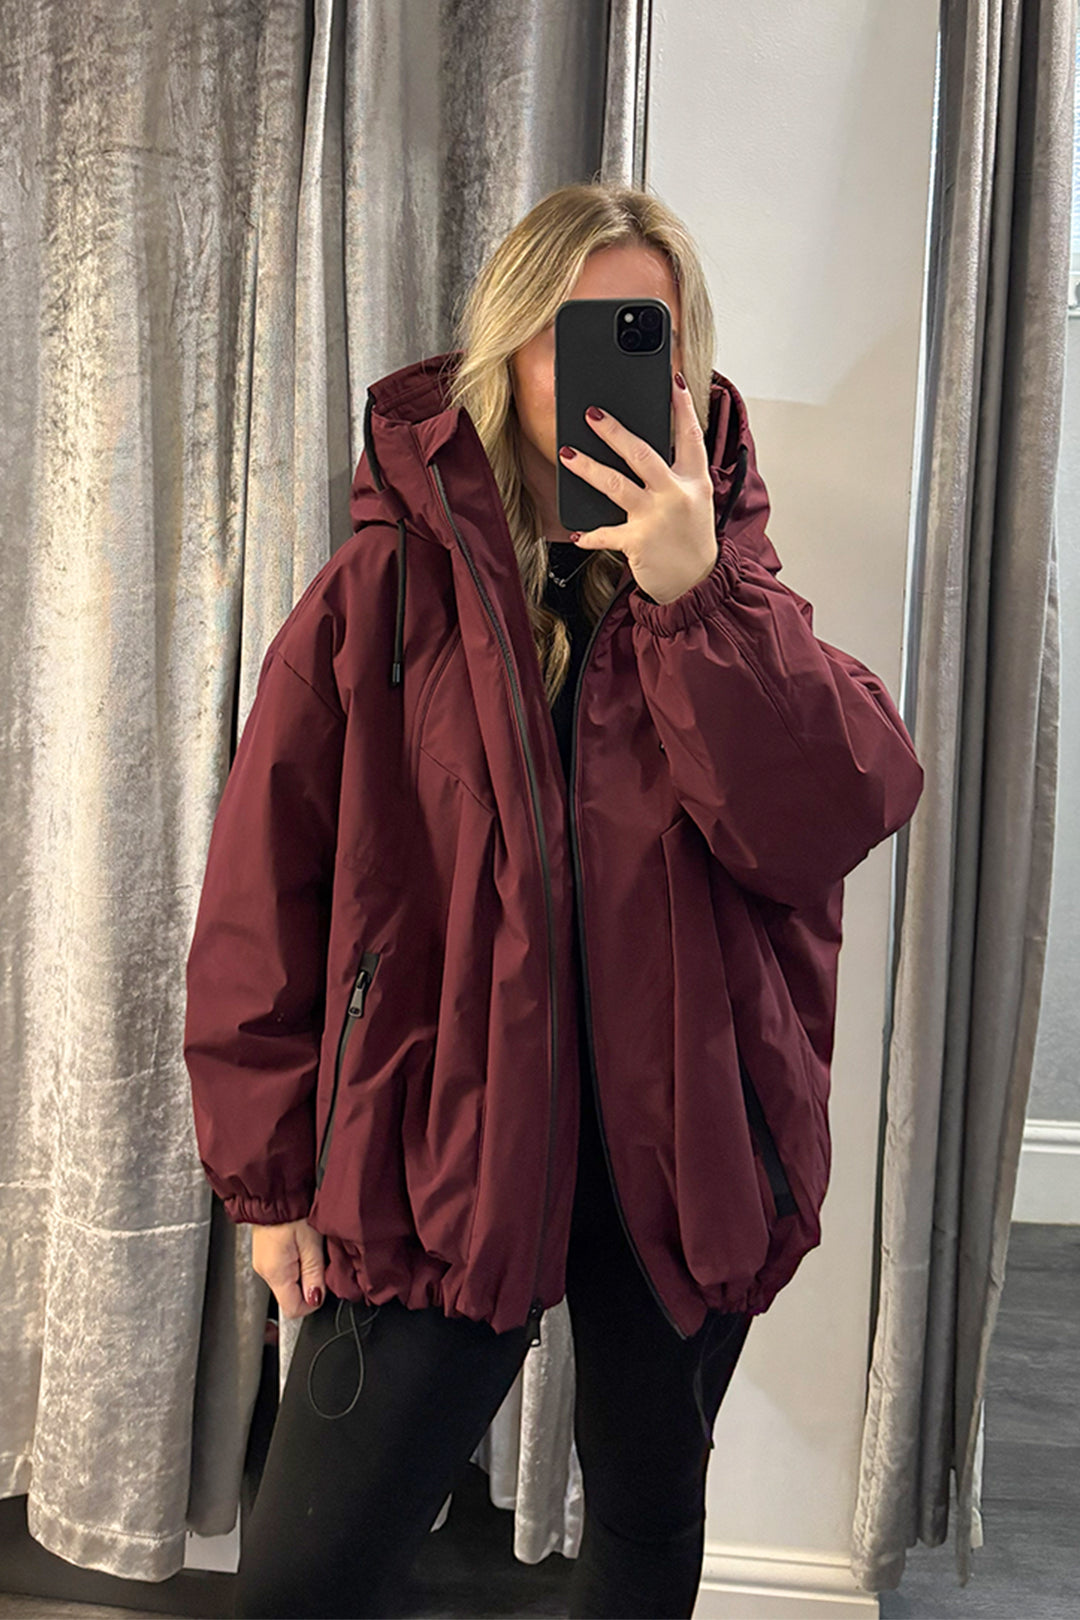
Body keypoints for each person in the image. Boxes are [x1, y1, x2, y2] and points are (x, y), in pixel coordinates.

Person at [184, 181, 924, 1619]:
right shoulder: (382, 592)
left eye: (644, 335)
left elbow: (830, 820)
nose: (600, 374)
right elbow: (263, 895)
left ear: (687, 362)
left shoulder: (735, 591)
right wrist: (268, 1184)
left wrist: (696, 598)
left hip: (680, 1153)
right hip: (437, 1143)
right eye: (567, 335)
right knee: (303, 1582)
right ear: (506, 349)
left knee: (644, 1525)